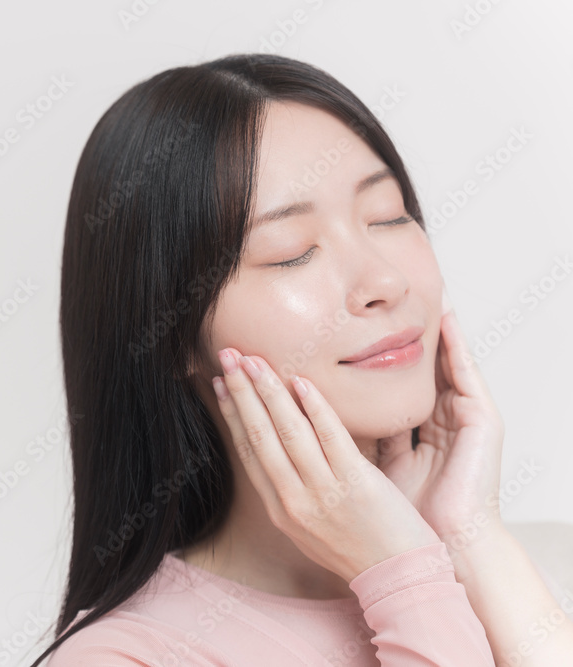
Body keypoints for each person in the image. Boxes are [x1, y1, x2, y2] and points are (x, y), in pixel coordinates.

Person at [30, 53, 573, 666]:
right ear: (171, 332)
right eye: (291, 252)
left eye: (388, 216)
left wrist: (469, 536)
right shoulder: (129, 657)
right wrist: (403, 576)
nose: (385, 281)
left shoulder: (529, 578)